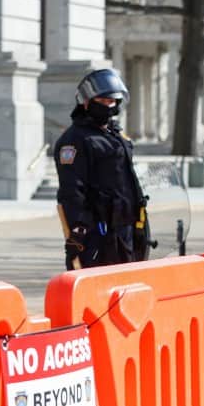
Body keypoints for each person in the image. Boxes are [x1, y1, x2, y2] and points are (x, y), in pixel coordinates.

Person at [54, 68, 148, 269]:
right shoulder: (75, 140)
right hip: (98, 232)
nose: (108, 106)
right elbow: (72, 189)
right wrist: (78, 230)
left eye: (112, 102)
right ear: (86, 102)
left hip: (127, 228)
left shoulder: (115, 135)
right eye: (102, 102)